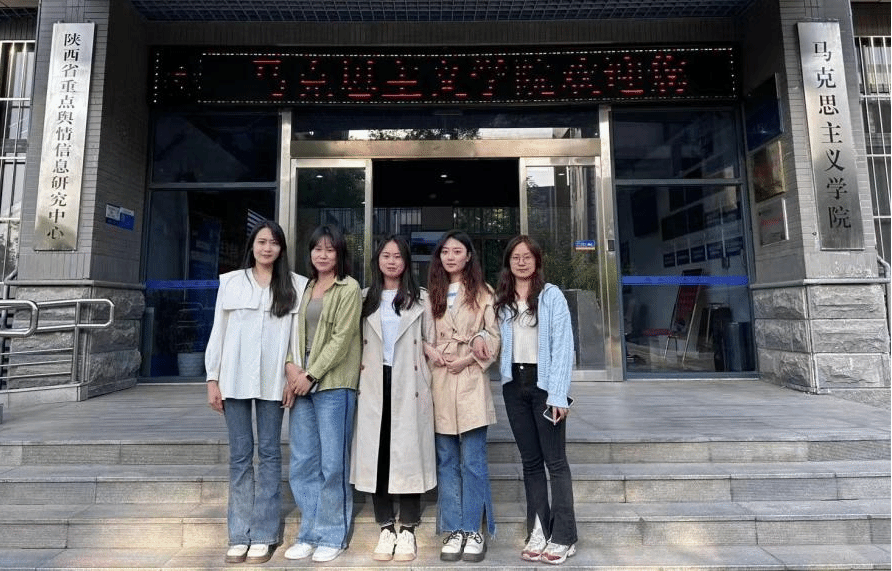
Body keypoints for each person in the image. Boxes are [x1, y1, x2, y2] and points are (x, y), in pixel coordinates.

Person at [205, 220, 307, 565]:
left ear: (281, 249)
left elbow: (296, 339)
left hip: (272, 381)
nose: (267, 248)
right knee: (239, 456)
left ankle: (264, 534)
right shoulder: (232, 282)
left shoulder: (295, 285)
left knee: (269, 454)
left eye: (274, 243)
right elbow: (219, 330)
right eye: (262, 242)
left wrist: (292, 377)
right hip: (233, 379)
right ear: (252, 245)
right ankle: (238, 534)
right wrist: (212, 378)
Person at [491, 235, 578, 565]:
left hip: (545, 386)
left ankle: (564, 536)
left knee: (555, 462)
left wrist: (558, 394)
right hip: (514, 386)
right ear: (508, 262)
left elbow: (563, 346)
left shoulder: (551, 296)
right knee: (530, 463)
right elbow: (493, 336)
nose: (521, 262)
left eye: (527, 256)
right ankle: (539, 530)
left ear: (537, 261)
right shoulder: (502, 299)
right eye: (516, 257)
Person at [350, 235, 436, 562]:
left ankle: (408, 527)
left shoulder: (421, 299)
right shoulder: (363, 298)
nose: (391, 261)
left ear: (406, 262)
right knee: (379, 452)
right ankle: (386, 525)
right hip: (373, 382)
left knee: (408, 452)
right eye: (386, 255)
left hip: (409, 383)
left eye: (397, 256)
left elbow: (431, 340)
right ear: (377, 260)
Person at [283, 224, 362, 563]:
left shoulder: (349, 288)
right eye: (318, 248)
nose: (323, 254)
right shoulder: (304, 288)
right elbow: (291, 332)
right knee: (303, 462)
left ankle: (332, 535)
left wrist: (311, 375)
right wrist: (291, 368)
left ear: (339, 253)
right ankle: (309, 533)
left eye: (330, 249)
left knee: (332, 464)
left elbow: (342, 340)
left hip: (333, 384)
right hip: (302, 383)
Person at [424, 229, 500, 563]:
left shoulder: (484, 292)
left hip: (470, 379)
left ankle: (473, 529)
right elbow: (419, 335)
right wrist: (428, 348)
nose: (451, 256)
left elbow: (495, 336)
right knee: (446, 460)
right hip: (440, 377)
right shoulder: (430, 294)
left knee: (472, 460)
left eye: (457, 251)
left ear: (469, 256)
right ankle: (453, 529)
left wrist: (470, 357)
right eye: (445, 251)